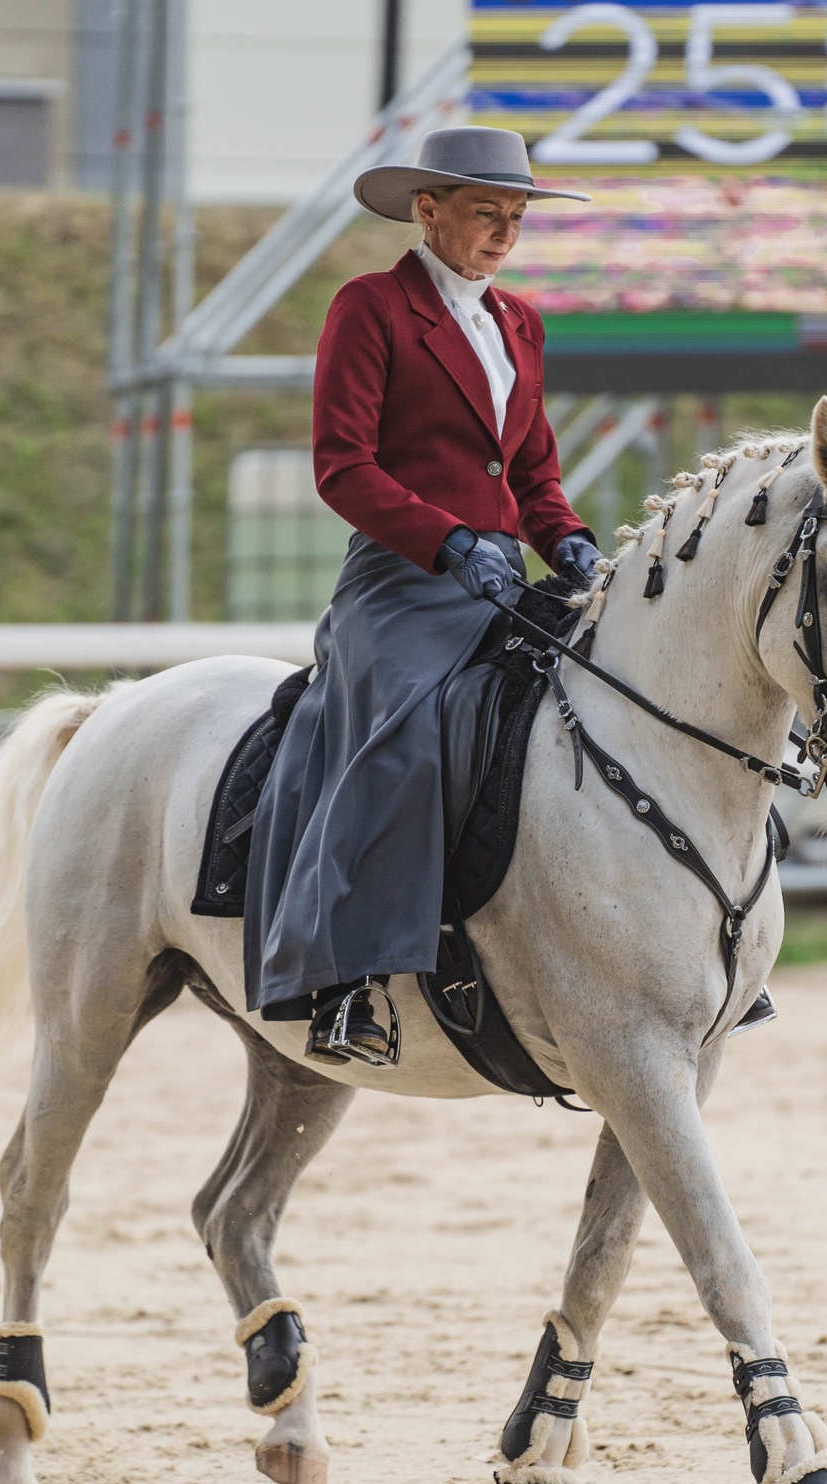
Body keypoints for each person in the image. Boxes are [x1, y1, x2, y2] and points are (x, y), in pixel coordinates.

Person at [242, 127, 601, 1069]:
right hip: (403, 581)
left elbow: (529, 468)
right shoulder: (371, 308)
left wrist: (566, 540)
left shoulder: (519, 321)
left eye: (517, 217)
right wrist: (445, 541)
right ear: (428, 210)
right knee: (404, 734)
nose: (505, 233)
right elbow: (342, 467)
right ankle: (347, 977)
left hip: (502, 579)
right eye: (487, 213)